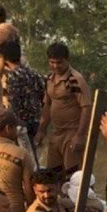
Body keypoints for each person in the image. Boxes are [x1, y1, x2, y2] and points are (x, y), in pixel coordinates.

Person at [35, 42, 92, 176]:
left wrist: (80, 135)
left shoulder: (75, 79)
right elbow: (47, 105)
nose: (55, 66)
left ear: (67, 60)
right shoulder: (49, 78)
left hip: (72, 132)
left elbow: (86, 107)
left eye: (59, 62)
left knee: (74, 175)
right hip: (56, 132)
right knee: (53, 174)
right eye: (52, 62)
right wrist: (41, 130)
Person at [0, 40, 45, 146]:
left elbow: (13, 104)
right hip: (35, 122)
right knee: (31, 158)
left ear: (4, 58)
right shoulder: (33, 74)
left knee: (21, 157)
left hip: (19, 126)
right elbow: (43, 96)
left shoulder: (11, 77)